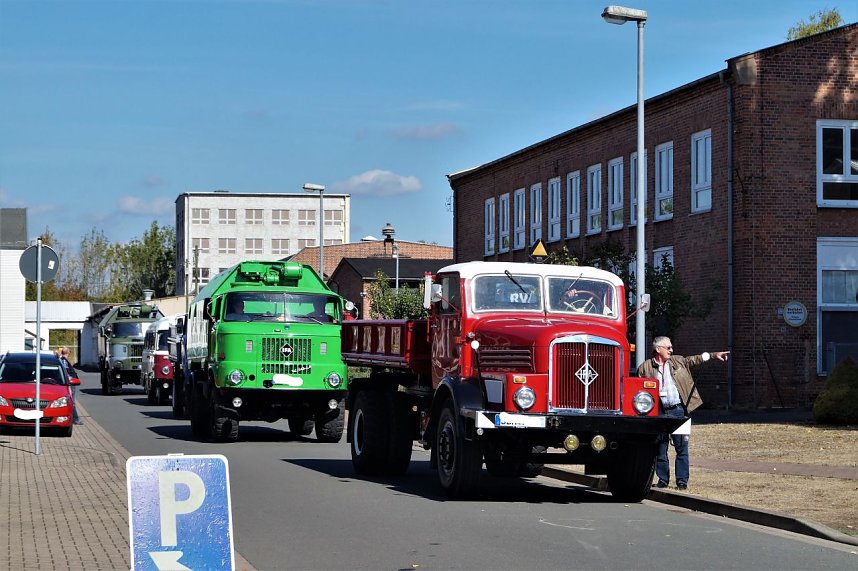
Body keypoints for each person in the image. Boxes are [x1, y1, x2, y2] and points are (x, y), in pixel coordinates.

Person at [637, 336, 729, 490]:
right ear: (658, 349)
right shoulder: (645, 367)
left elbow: (695, 359)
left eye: (671, 347)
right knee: (660, 447)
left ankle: (682, 482)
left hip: (678, 409)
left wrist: (713, 355)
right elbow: (639, 390)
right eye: (668, 348)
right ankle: (663, 480)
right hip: (658, 412)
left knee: (682, 447)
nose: (671, 350)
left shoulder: (678, 361)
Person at [59, 346, 82, 425]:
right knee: (72, 402)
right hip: (70, 383)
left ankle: (73, 418)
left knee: (71, 401)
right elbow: (66, 373)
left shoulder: (62, 360)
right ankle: (75, 419)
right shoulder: (64, 361)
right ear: (68, 353)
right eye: (69, 352)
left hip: (69, 383)